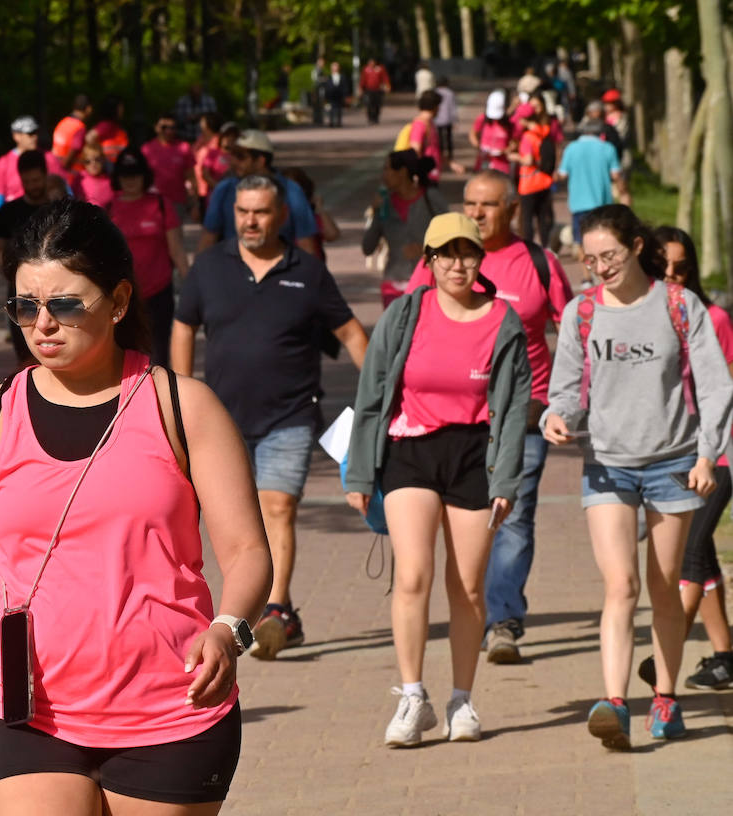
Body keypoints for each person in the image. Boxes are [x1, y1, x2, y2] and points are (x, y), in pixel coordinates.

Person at [0, 198, 271, 816]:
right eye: (24, 305)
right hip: (31, 717)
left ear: (116, 301)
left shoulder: (182, 405)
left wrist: (229, 630)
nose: (41, 325)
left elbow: (247, 551)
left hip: (170, 713)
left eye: (63, 304)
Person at [542, 205, 733, 749]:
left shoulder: (678, 305)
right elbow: (566, 389)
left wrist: (706, 456)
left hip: (673, 462)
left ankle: (666, 698)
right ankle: (616, 702)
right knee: (620, 584)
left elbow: (717, 387)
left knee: (662, 586)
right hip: (607, 462)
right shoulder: (582, 313)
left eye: (611, 257)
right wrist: (556, 418)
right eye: (590, 258)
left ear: (637, 249)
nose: (600, 267)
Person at [346, 213, 531, 746]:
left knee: (469, 585)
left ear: (480, 259)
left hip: (476, 455)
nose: (457, 264)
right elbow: (372, 395)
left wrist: (507, 482)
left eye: (467, 253)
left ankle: (462, 700)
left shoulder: (503, 321)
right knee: (412, 575)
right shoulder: (405, 314)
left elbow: (515, 409)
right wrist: (361, 471)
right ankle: (412, 697)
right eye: (445, 254)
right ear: (428, 260)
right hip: (410, 450)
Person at [175, 175, 369, 660]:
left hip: (291, 413)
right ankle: (242, 606)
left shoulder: (307, 269)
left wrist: (378, 398)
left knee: (278, 506)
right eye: (242, 211)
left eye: (260, 212)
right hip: (220, 421)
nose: (250, 221)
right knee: (227, 519)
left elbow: (349, 333)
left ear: (281, 215)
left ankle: (277, 609)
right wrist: (176, 398)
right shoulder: (209, 267)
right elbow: (183, 327)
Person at [406, 170, 573, 663]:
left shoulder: (539, 264)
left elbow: (572, 329)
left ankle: (502, 620)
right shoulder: (439, 261)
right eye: (470, 203)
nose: (476, 212)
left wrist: (564, 400)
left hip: (524, 416)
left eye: (488, 205)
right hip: (453, 424)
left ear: (512, 210)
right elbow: (410, 327)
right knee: (459, 526)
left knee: (514, 518)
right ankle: (472, 607)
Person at [636, 227, 733, 691]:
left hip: (720, 453)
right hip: (675, 453)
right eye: (662, 266)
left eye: (681, 267)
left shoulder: (711, 317)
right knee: (704, 555)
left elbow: (724, 386)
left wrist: (712, 451)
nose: (672, 275)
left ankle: (663, 658)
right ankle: (724, 657)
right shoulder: (642, 317)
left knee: (690, 551)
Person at [106, 147, 189, 367]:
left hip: (158, 293)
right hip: (121, 295)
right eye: (125, 175)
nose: (131, 180)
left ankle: (159, 399)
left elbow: (177, 250)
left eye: (136, 174)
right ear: (117, 178)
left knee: (158, 355)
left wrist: (191, 287)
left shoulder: (161, 205)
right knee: (122, 355)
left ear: (145, 176)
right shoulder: (109, 208)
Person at [198, 129, 320, 256]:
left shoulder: (291, 191)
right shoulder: (224, 189)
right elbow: (208, 238)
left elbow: (306, 243)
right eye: (232, 154)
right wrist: (198, 273)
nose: (233, 162)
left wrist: (308, 274)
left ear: (260, 161)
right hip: (233, 271)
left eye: (240, 156)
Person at [362, 150, 448, 308]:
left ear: (402, 172)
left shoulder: (430, 198)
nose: (383, 175)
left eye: (387, 169)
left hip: (428, 284)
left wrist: (427, 251)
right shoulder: (385, 205)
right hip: (393, 285)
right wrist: (374, 213)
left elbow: (452, 237)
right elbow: (367, 248)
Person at [0, 150, 55, 366]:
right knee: (27, 352)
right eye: (28, 181)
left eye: (37, 180)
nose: (33, 185)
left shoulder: (57, 209)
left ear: (45, 175)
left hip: (55, 287)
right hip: (22, 290)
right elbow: (0, 250)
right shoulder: (8, 213)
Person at [557, 114, 624, 286]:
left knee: (581, 242)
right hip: (603, 204)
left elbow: (562, 174)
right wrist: (624, 192)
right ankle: (606, 273)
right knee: (607, 241)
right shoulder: (608, 148)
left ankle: (586, 277)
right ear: (600, 133)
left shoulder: (571, 148)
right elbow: (616, 175)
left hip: (579, 204)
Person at [0, 115, 69, 210]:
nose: (34, 137)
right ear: (16, 136)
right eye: (30, 134)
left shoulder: (50, 158)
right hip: (15, 218)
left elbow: (67, 190)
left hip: (48, 214)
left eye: (36, 132)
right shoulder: (3, 163)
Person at [510, 105, 556, 251]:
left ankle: (528, 250)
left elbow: (528, 160)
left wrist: (515, 156)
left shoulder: (527, 136)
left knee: (527, 219)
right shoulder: (544, 131)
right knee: (543, 218)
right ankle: (546, 247)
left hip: (529, 184)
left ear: (524, 119)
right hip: (544, 181)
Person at [141, 114, 198, 219]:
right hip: (153, 202)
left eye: (172, 128)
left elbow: (191, 177)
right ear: (156, 128)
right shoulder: (146, 149)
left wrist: (195, 204)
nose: (168, 131)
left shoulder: (184, 148)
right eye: (164, 127)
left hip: (177, 202)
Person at [281, 166, 341, 261]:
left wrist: (320, 208)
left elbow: (332, 235)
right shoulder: (275, 216)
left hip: (312, 270)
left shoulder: (310, 215)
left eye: (295, 190)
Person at [469, 90, 513, 174]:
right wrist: (479, 146)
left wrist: (506, 150)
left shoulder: (509, 123)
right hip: (484, 162)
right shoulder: (482, 119)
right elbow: (473, 134)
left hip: (502, 165)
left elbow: (514, 142)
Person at [192, 113, 228, 214]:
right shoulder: (201, 139)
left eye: (203, 121)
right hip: (198, 184)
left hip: (210, 186)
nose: (200, 124)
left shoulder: (218, 141)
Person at [52, 94, 92, 171]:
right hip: (71, 175)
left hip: (55, 167)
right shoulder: (80, 128)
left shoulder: (63, 123)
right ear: (88, 109)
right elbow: (69, 158)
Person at [71, 142, 114, 207]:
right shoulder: (79, 178)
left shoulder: (110, 180)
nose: (93, 164)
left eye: (97, 159)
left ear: (103, 159)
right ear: (83, 162)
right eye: (88, 161)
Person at [88, 97, 130, 164]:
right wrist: (100, 154)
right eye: (120, 107)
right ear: (113, 108)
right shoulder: (106, 125)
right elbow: (89, 138)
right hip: (109, 165)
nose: (122, 110)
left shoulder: (116, 125)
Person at [360, 57, 391, 125]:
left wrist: (387, 85)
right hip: (368, 90)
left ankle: (376, 117)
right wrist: (361, 88)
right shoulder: (366, 69)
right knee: (369, 104)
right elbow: (363, 79)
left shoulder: (380, 69)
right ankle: (370, 118)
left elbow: (385, 78)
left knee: (377, 104)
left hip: (378, 90)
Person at [433, 76, 458, 161]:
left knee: (439, 138)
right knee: (448, 137)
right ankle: (450, 154)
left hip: (438, 118)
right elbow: (453, 107)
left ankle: (441, 154)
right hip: (448, 118)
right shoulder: (450, 93)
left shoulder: (435, 92)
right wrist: (454, 120)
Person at [322, 61, 350, 128]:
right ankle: (331, 122)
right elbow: (327, 87)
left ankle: (338, 122)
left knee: (339, 109)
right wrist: (326, 96)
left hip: (339, 94)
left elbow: (345, 86)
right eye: (333, 67)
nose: (335, 68)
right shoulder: (328, 77)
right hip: (331, 95)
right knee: (331, 109)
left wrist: (345, 95)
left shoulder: (342, 77)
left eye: (336, 66)